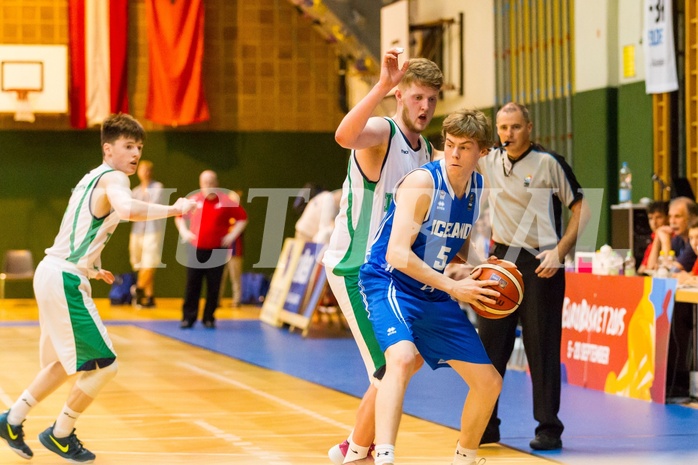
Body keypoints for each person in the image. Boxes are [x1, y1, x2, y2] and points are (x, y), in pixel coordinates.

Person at [0, 113, 195, 463]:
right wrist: (175, 209)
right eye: (128, 146)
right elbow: (128, 209)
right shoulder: (116, 178)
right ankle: (60, 433)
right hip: (64, 278)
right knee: (105, 365)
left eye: (139, 147)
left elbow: (78, 227)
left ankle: (11, 420)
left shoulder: (92, 177)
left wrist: (91, 265)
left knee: (63, 362)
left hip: (55, 271)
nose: (135, 153)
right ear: (108, 149)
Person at [359, 109, 502, 465]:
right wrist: (454, 289)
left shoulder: (477, 187)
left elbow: (456, 244)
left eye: (464, 147)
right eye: (449, 144)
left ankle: (465, 457)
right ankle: (385, 455)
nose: (453, 153)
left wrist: (475, 271)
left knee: (489, 383)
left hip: (431, 290)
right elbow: (397, 254)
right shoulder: (423, 182)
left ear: (481, 153)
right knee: (403, 358)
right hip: (389, 280)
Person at [322, 48, 443, 464]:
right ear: (400, 97)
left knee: (404, 362)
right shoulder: (381, 133)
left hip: (391, 269)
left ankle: (353, 445)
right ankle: (360, 451)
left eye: (431, 99)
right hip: (355, 266)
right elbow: (343, 137)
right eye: (416, 97)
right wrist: (380, 85)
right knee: (391, 366)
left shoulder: (426, 150)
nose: (425, 106)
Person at [476, 102, 588, 451]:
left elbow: (582, 207)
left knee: (541, 347)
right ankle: (486, 423)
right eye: (503, 127)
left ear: (530, 127)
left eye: (515, 127)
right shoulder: (489, 159)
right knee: (490, 346)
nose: (508, 134)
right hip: (501, 260)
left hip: (542, 262)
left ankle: (549, 428)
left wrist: (561, 251)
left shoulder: (549, 163)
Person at [175, 170, 248, 329]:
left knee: (214, 286)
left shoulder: (226, 201)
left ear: (216, 183)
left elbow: (242, 218)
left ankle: (209, 317)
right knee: (192, 284)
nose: (208, 186)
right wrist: (185, 232)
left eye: (210, 183)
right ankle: (188, 318)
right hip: (196, 249)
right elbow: (179, 216)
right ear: (200, 184)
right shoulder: (193, 200)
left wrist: (232, 235)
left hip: (218, 251)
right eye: (204, 183)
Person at [129, 159, 166, 308]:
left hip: (152, 231)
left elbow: (151, 208)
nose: (145, 173)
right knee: (140, 264)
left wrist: (139, 210)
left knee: (149, 263)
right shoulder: (135, 191)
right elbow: (131, 210)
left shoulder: (158, 187)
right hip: (137, 231)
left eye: (148, 170)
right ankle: (149, 297)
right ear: (138, 172)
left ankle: (138, 289)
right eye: (142, 169)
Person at [647, 196, 698, 272]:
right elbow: (651, 267)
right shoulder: (678, 239)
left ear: (692, 218)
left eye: (677, 216)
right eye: (670, 216)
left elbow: (669, 271)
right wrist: (657, 238)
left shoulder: (695, 242)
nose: (672, 222)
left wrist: (665, 242)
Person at [219, 189, 246, 308]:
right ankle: (216, 300)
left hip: (235, 251)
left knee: (235, 277)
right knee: (219, 277)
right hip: (222, 251)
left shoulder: (240, 215)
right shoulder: (223, 213)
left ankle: (237, 300)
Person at [637, 200, 669, 275]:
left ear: (667, 218)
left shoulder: (676, 238)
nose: (654, 222)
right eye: (651, 218)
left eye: (658, 217)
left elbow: (667, 267)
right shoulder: (653, 239)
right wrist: (657, 238)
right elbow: (644, 268)